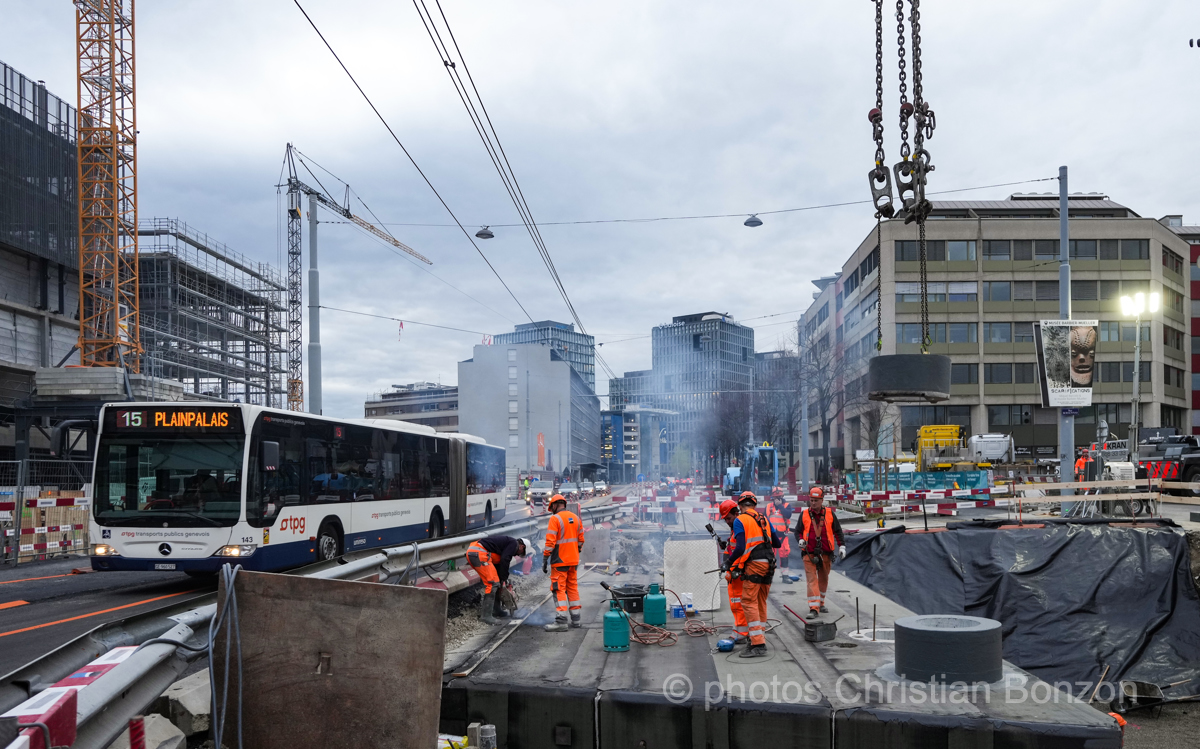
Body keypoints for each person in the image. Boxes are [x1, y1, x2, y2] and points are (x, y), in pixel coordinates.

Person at [722, 491, 782, 658]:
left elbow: (740, 547)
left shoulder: (740, 520)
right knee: (760, 601)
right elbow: (776, 542)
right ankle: (758, 636)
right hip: (770, 564)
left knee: (748, 601)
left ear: (740, 506)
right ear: (754, 505)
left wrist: (728, 563)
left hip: (755, 565)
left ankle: (757, 644)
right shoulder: (764, 519)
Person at [796, 487, 846, 619]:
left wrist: (842, 546)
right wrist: (800, 539)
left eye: (816, 500)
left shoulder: (829, 514)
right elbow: (798, 531)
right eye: (811, 500)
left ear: (822, 500)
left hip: (826, 553)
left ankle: (821, 602)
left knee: (823, 579)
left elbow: (838, 531)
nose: (813, 503)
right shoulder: (805, 514)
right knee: (812, 580)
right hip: (809, 553)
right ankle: (814, 607)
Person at [543, 494, 585, 632]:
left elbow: (550, 542)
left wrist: (545, 558)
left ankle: (561, 621)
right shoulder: (577, 518)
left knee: (558, 588)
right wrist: (575, 551)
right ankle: (576, 619)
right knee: (572, 587)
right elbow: (581, 540)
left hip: (560, 560)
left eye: (552, 507)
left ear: (555, 505)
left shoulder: (555, 519)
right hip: (573, 560)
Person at [467, 535, 531, 625]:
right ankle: (486, 616)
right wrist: (504, 578)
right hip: (480, 554)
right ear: (522, 546)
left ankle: (496, 610)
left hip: (477, 553)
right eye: (520, 553)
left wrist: (502, 580)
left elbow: (498, 563)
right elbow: (505, 560)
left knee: (496, 582)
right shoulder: (514, 544)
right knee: (492, 584)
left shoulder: (506, 544)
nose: (517, 554)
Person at [716, 499, 748, 644]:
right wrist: (727, 545)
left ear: (736, 513)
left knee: (738, 603)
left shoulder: (740, 526)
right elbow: (734, 547)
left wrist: (729, 563)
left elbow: (741, 549)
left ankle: (742, 632)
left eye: (728, 518)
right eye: (725, 519)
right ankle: (739, 629)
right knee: (735, 603)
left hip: (738, 572)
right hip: (734, 572)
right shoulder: (735, 528)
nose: (727, 521)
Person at [765, 488, 794, 584]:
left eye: (779, 497)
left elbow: (788, 515)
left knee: (784, 555)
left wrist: (780, 506)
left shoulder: (786, 506)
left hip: (783, 536)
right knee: (770, 556)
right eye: (775, 497)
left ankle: (785, 576)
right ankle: (769, 576)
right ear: (772, 497)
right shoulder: (768, 506)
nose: (777, 499)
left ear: (782, 497)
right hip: (771, 537)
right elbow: (764, 520)